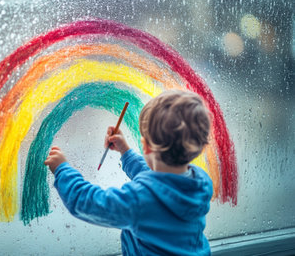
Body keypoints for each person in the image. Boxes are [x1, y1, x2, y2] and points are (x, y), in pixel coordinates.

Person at [44, 90, 213, 255]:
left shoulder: (141, 201)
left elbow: (89, 203)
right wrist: (125, 151)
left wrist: (62, 170)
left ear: (145, 146)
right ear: (198, 148)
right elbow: (156, 178)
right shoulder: (200, 182)